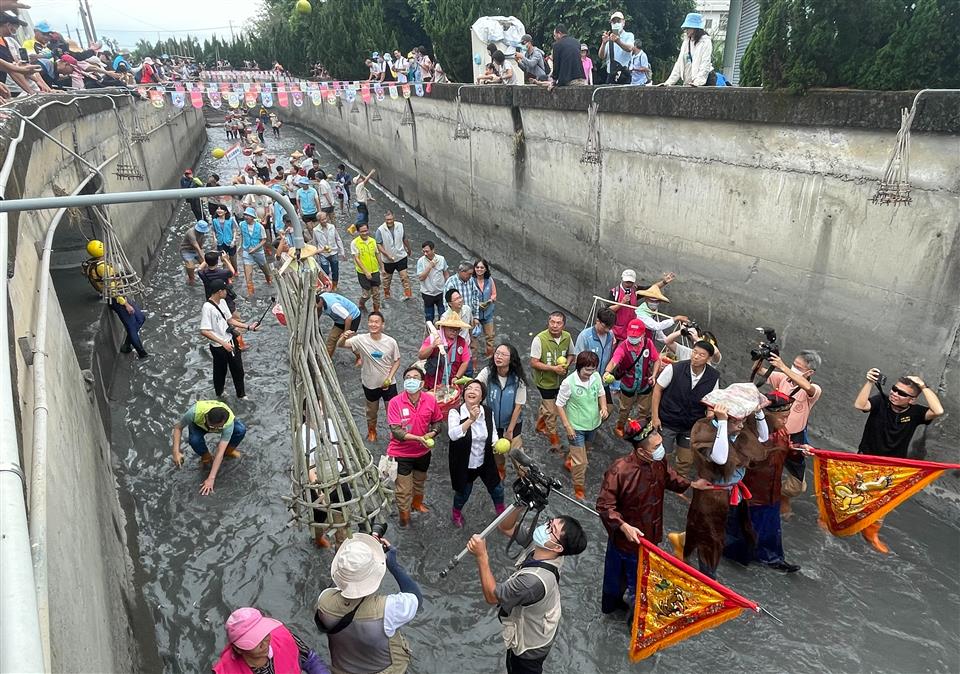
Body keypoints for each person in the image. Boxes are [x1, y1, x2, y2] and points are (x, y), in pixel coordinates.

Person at [597, 421, 709, 617]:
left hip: (650, 538)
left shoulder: (659, 462)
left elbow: (670, 478)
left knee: (640, 586)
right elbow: (605, 505)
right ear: (641, 451)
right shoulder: (620, 471)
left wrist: (691, 484)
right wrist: (623, 526)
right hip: (625, 541)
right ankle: (613, 610)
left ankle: (635, 622)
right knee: (615, 582)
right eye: (656, 447)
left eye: (661, 444)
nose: (661, 450)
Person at [466, 507, 588, 674]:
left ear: (558, 547)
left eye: (551, 530)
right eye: (549, 523)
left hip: (530, 648)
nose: (545, 528)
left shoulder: (532, 581)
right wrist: (520, 504)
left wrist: (482, 556)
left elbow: (492, 596)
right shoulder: (544, 547)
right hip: (543, 621)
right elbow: (506, 527)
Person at [669, 401, 769, 579]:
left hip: (732, 493)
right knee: (711, 539)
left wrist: (759, 412)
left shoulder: (737, 430)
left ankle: (685, 541)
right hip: (712, 496)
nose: (741, 425)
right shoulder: (705, 433)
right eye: (737, 422)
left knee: (725, 530)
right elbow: (721, 458)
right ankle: (708, 578)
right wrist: (723, 423)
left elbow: (762, 438)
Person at [853, 369, 944, 553]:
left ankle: (871, 533)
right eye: (894, 389)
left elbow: (938, 410)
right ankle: (829, 519)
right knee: (853, 492)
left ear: (912, 400)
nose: (895, 394)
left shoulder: (916, 413)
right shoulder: (881, 401)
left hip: (892, 466)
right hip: (866, 459)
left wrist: (923, 386)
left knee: (883, 502)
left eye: (902, 393)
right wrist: (869, 382)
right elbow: (860, 404)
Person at [315, 533, 421, 673]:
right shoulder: (389, 610)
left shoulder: (324, 601)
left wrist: (349, 569)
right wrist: (394, 565)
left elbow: (338, 587)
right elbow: (416, 597)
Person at [724, 391, 802, 572]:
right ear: (768, 415)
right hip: (750, 492)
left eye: (787, 416)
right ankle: (735, 555)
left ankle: (771, 558)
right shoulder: (748, 433)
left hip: (772, 491)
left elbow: (787, 452)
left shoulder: (782, 432)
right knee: (742, 528)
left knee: (770, 529)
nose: (785, 421)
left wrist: (797, 451)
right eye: (783, 417)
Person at [650, 340, 720, 478]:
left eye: (701, 354)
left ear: (709, 358)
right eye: (694, 352)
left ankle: (679, 482)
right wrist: (655, 417)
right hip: (668, 420)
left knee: (686, 459)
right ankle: (657, 478)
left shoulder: (713, 377)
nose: (696, 356)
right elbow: (658, 389)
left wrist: (708, 422)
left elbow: (711, 402)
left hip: (691, 425)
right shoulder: (675, 368)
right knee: (663, 455)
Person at [386, 366, 443, 527]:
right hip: (401, 453)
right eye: (408, 377)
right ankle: (404, 518)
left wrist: (431, 434)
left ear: (422, 382)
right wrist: (419, 438)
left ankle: (417, 504)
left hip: (423, 452)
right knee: (403, 490)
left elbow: (438, 422)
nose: (411, 380)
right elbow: (396, 431)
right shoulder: (395, 402)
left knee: (419, 482)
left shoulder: (430, 400)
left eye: (415, 377)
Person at [767, 351, 822, 518]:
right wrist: (763, 357)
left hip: (795, 439)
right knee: (763, 470)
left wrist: (783, 367)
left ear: (809, 372)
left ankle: (782, 496)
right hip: (772, 434)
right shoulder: (781, 377)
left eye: (799, 367)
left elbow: (808, 388)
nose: (793, 368)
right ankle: (763, 497)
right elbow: (761, 372)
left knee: (798, 485)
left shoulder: (814, 389)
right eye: (794, 364)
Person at [447, 380, 506, 527]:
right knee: (463, 494)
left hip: (485, 459)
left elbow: (492, 433)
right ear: (464, 393)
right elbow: (453, 435)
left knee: (497, 489)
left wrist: (497, 444)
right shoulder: (455, 412)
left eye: (477, 389)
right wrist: (471, 419)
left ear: (481, 397)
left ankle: (500, 511)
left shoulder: (487, 411)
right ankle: (456, 513)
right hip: (464, 462)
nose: (472, 391)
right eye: (469, 388)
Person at [339, 311, 400, 443]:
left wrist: (390, 377)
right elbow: (340, 345)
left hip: (389, 383)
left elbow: (397, 361)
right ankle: (372, 430)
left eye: (376, 322)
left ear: (382, 325)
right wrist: (343, 336)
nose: (373, 324)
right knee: (371, 411)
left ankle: (395, 433)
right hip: (370, 383)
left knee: (393, 410)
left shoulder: (391, 342)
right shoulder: (361, 339)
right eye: (371, 321)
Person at [81, 239, 149, 359]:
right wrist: (125, 304)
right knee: (131, 326)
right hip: (116, 298)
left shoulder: (93, 263)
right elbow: (112, 289)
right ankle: (142, 354)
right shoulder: (103, 268)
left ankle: (127, 345)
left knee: (140, 318)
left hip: (118, 295)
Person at [213, 607, 330, 674]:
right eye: (255, 641)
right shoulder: (224, 671)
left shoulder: (283, 636)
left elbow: (310, 660)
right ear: (238, 649)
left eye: (264, 634)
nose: (264, 643)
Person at [556, 351, 608, 500]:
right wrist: (568, 427)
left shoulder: (596, 377)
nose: (590, 373)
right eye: (587, 370)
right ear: (579, 367)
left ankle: (569, 459)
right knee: (581, 463)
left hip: (593, 424)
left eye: (593, 369)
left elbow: (601, 393)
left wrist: (603, 408)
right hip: (576, 427)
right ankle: (578, 488)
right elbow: (559, 405)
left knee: (586, 450)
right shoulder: (569, 383)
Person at [476, 343, 528, 482]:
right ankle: (500, 468)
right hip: (493, 422)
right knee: (497, 449)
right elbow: (476, 387)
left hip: (513, 422)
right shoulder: (487, 373)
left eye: (503, 355)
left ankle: (524, 477)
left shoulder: (518, 379)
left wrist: (510, 430)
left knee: (515, 451)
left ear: (511, 359)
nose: (498, 357)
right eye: (497, 353)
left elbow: (518, 406)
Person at [170, 400, 245, 496]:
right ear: (206, 416)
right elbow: (177, 428)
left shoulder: (228, 423)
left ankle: (229, 451)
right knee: (194, 440)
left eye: (217, 428)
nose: (213, 430)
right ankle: (206, 456)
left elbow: (219, 452)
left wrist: (211, 478)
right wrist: (176, 452)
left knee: (240, 430)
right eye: (211, 427)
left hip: (221, 424)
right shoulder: (193, 413)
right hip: (199, 425)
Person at [200, 280, 259, 400]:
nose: (227, 292)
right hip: (219, 347)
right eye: (225, 290)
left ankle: (241, 395)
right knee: (220, 372)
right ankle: (220, 393)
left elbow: (230, 320)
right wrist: (223, 343)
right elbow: (204, 331)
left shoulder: (222, 302)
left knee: (238, 370)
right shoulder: (207, 307)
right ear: (219, 291)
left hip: (231, 341)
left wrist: (249, 327)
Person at [605, 319, 660, 437]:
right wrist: (607, 372)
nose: (633, 338)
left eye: (636, 336)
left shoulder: (648, 344)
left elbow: (657, 360)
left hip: (645, 382)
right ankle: (620, 425)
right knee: (624, 408)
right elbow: (614, 361)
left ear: (643, 334)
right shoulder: (623, 347)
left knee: (644, 409)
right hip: (628, 383)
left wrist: (654, 375)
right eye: (631, 335)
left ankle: (639, 428)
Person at [530, 312, 574, 452]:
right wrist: (553, 368)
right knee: (552, 412)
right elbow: (534, 362)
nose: (555, 326)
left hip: (561, 380)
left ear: (563, 325)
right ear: (548, 323)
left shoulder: (567, 337)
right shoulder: (539, 339)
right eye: (552, 322)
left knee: (550, 408)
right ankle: (554, 439)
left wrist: (566, 364)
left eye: (558, 323)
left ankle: (539, 425)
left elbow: (572, 354)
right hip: (545, 382)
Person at [417, 310, 471, 390]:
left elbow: (465, 361)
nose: (454, 331)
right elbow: (421, 355)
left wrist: (457, 377)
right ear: (444, 327)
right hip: (433, 381)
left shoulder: (461, 342)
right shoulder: (433, 338)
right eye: (451, 328)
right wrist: (432, 346)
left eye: (457, 329)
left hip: (451, 382)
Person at [574, 308, 617, 404]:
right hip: (587, 380)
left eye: (609, 328)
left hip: (603, 380)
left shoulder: (610, 335)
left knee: (608, 408)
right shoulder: (585, 336)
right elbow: (578, 358)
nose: (607, 330)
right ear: (597, 321)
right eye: (604, 326)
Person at [661, 13, 715, 86]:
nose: (686, 30)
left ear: (695, 28)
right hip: (690, 80)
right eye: (685, 28)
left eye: (688, 28)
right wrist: (668, 82)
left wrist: (698, 82)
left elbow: (705, 64)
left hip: (706, 79)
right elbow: (679, 64)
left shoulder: (706, 41)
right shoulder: (686, 42)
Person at [375, 210, 413, 300]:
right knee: (387, 279)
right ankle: (387, 295)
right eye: (387, 219)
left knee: (405, 277)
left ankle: (408, 295)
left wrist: (409, 249)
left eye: (391, 219)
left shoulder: (400, 226)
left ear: (394, 218)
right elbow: (379, 245)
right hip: (388, 260)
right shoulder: (380, 230)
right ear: (385, 219)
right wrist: (387, 254)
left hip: (401, 256)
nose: (389, 221)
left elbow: (404, 238)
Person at [239, 207, 272, 297]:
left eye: (248, 215)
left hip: (258, 252)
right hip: (247, 251)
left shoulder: (259, 226)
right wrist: (240, 247)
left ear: (252, 217)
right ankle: (251, 295)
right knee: (248, 275)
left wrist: (255, 249)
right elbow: (241, 235)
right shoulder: (242, 224)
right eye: (245, 215)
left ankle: (269, 280)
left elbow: (264, 240)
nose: (246, 217)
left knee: (265, 270)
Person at [316, 291, 361, 357]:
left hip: (353, 317)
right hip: (340, 319)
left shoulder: (334, 307)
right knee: (332, 339)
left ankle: (360, 357)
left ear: (320, 301)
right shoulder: (322, 297)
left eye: (315, 306)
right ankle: (328, 359)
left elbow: (348, 318)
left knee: (349, 341)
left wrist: (345, 334)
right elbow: (319, 310)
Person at [350, 221, 382, 313]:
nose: (364, 233)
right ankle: (361, 303)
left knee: (376, 294)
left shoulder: (373, 241)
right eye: (362, 231)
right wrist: (366, 272)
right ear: (358, 232)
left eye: (366, 230)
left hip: (375, 270)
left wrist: (382, 267)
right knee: (366, 294)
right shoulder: (355, 243)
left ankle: (376, 312)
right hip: (362, 273)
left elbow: (377, 254)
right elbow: (357, 258)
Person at [416, 240, 449, 323]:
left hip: (441, 292)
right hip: (427, 293)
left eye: (427, 251)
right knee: (429, 317)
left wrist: (447, 287)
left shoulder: (441, 259)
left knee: (443, 315)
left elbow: (446, 274)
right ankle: (429, 334)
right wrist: (429, 266)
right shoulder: (421, 261)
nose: (425, 254)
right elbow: (421, 277)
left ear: (433, 250)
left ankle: (441, 333)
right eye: (423, 251)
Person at [598, 10, 635, 84]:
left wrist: (618, 41)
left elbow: (630, 48)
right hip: (611, 75)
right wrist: (604, 43)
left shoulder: (629, 35)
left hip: (624, 74)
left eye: (618, 21)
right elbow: (602, 56)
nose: (616, 24)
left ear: (623, 22)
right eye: (614, 22)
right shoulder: (609, 38)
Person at [548, 24, 586, 89]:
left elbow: (556, 65)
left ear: (559, 33)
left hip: (568, 79)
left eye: (554, 35)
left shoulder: (557, 45)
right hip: (581, 77)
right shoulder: (576, 42)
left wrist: (554, 80)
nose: (554, 38)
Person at [472, 259, 497, 358]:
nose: (479, 269)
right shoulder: (471, 281)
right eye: (477, 267)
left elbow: (494, 294)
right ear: (474, 269)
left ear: (486, 269)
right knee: (473, 338)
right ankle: (473, 359)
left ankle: (490, 356)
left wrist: (490, 301)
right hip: (475, 315)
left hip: (488, 314)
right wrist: (477, 305)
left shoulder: (490, 280)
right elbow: (468, 297)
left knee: (490, 337)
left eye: (482, 267)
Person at [314, 213, 345, 291]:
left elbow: (338, 239)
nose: (325, 221)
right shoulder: (315, 230)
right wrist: (316, 254)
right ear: (319, 221)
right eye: (322, 219)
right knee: (325, 271)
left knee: (335, 270)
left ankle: (335, 285)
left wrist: (342, 252)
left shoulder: (332, 227)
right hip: (323, 253)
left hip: (333, 252)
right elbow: (315, 243)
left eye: (325, 218)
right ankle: (327, 286)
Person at [180, 219, 209, 285]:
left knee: (206, 266)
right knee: (191, 267)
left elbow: (200, 245)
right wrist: (205, 259)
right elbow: (197, 247)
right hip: (186, 250)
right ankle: (191, 278)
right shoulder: (190, 233)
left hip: (196, 250)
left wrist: (204, 260)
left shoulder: (202, 233)